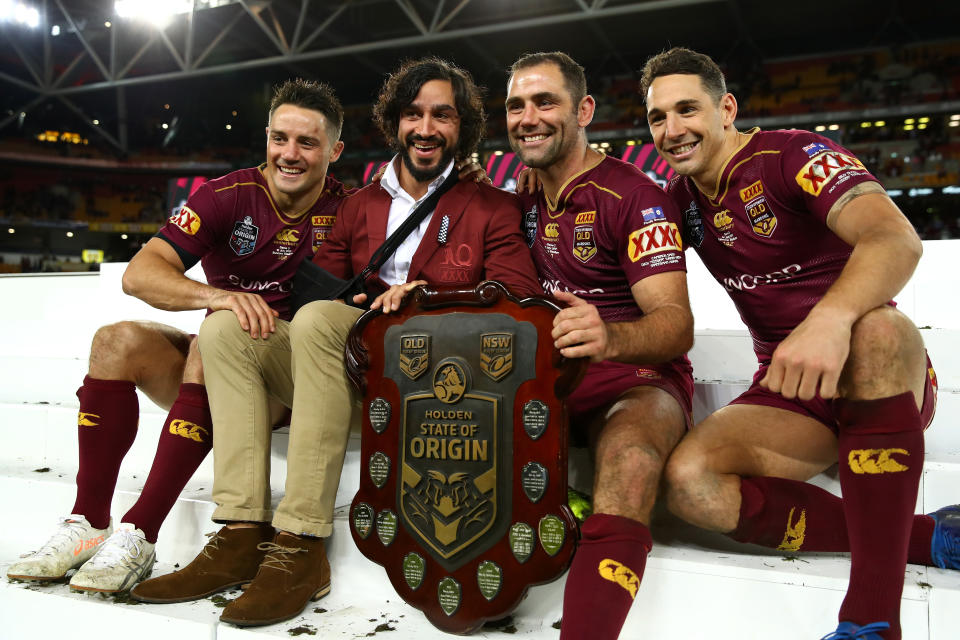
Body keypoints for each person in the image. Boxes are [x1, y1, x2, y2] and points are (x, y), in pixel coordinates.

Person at [130, 56, 540, 628]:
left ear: (463, 127)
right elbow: (309, 301)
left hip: (435, 395)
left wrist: (424, 304)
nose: (425, 128)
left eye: (442, 115)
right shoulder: (359, 206)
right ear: (394, 121)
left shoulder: (492, 206)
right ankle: (243, 529)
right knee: (227, 325)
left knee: (321, 321)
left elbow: (518, 304)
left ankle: (299, 542)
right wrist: (360, 309)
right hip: (350, 381)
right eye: (412, 114)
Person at [641, 47, 955, 640]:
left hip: (878, 371)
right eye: (658, 117)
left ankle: (871, 619)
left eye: (687, 109)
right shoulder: (680, 202)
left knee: (879, 329)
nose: (673, 130)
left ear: (726, 107)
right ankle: (922, 536)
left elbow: (896, 239)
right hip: (792, 392)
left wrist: (829, 320)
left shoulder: (794, 154)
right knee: (688, 484)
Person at [6, 78, 351, 594]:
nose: (290, 154)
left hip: (293, 379)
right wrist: (218, 296)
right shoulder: (226, 195)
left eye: (307, 142)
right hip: (223, 358)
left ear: (335, 151)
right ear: (266, 138)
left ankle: (141, 532)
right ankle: (87, 522)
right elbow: (139, 274)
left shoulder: (354, 207)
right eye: (280, 138)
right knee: (114, 341)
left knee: (216, 338)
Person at [507, 51, 694, 640]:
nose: (528, 117)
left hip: (635, 376)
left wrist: (609, 336)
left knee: (632, 460)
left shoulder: (637, 196)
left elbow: (675, 324)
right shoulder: (519, 195)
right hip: (546, 378)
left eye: (545, 102)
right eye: (516, 105)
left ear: (584, 109)